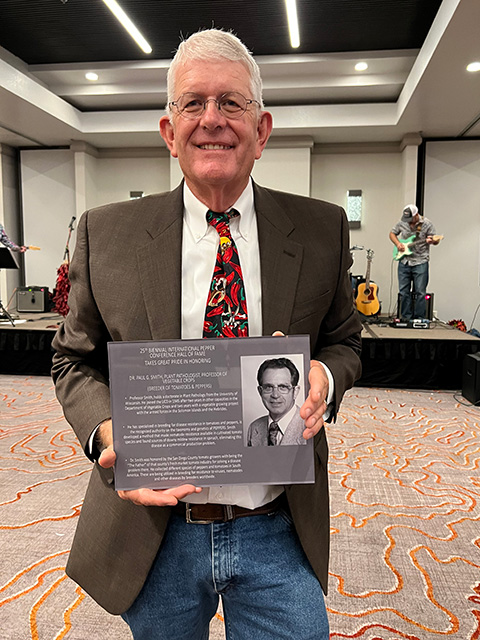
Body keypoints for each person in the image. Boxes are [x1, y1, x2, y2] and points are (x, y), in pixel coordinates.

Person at [51, 28, 362, 640]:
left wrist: (325, 377)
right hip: (157, 530)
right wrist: (110, 433)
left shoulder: (321, 228)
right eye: (192, 103)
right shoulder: (105, 235)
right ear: (170, 132)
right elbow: (72, 359)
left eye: (232, 103)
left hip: (277, 523)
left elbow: (345, 341)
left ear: (262, 129)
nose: (211, 120)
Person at [389, 204, 440, 320]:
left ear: (416, 215)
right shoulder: (402, 222)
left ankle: (419, 318)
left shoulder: (427, 224)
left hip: (420, 261)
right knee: (403, 291)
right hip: (404, 261)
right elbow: (392, 233)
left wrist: (432, 241)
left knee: (420, 292)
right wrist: (398, 244)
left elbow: (435, 241)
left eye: (410, 219)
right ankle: (406, 318)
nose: (409, 222)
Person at [247, 357, 306, 446]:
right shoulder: (254, 427)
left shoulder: (309, 426)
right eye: (268, 387)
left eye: (283, 387)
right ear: (260, 391)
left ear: (295, 391)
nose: (275, 395)